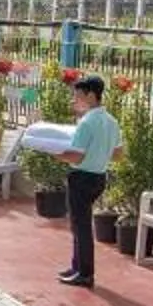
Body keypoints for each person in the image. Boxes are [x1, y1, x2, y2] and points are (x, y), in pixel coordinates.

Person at [51, 74, 120, 289]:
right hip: (99, 176)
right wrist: (99, 153)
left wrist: (56, 153)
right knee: (80, 224)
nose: (75, 100)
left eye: (78, 96)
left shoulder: (87, 122)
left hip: (81, 178)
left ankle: (85, 273)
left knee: (80, 227)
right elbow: (118, 154)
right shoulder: (111, 121)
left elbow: (76, 156)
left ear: (91, 95)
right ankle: (77, 266)